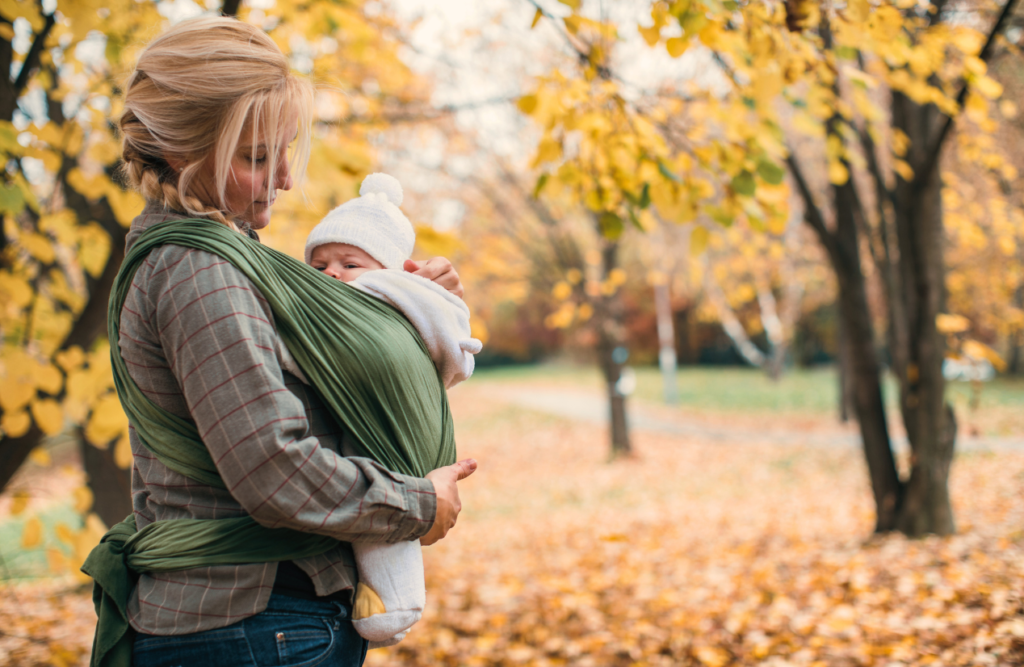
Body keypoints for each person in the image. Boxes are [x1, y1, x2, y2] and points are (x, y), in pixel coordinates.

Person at [106, 16, 475, 667]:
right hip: (249, 625)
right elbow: (271, 466)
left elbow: (332, 394)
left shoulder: (215, 259)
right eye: (255, 157)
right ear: (185, 152)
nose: (284, 178)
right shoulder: (199, 271)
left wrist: (413, 309)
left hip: (251, 628)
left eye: (285, 150)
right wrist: (418, 503)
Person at [303, 172, 483, 646]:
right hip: (363, 433)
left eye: (349, 262)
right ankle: (386, 602)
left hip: (387, 433)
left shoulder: (389, 299)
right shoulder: (322, 307)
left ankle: (395, 603)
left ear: (389, 270)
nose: (333, 275)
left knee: (381, 505)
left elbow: (445, 350)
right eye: (319, 265)